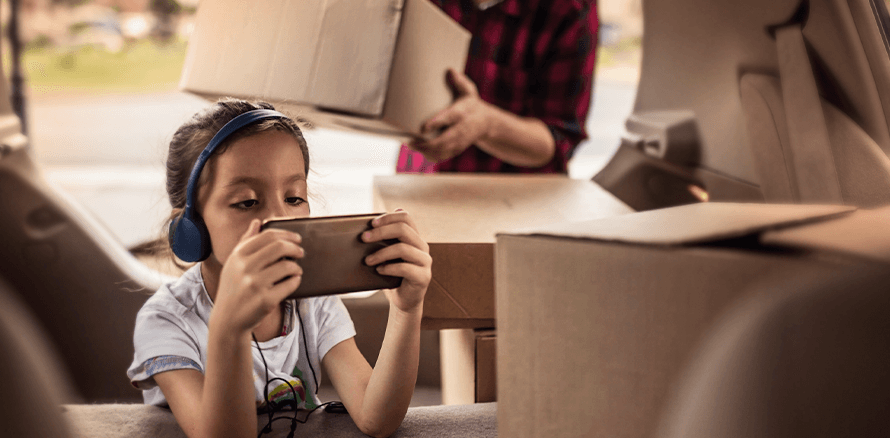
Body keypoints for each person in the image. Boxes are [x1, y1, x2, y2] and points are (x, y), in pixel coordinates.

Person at [127, 99, 433, 438]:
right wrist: (230, 328)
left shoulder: (312, 302)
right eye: (246, 202)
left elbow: (376, 418)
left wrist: (407, 311)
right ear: (191, 228)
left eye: (294, 197)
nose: (280, 219)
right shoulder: (166, 321)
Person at [397, 0, 599, 174]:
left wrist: (486, 124)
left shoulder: (571, 7)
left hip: (515, 200)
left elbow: (559, 142)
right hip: (417, 177)